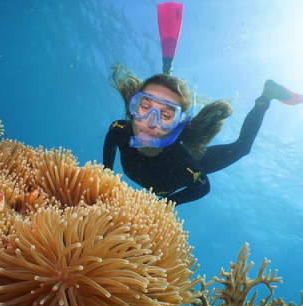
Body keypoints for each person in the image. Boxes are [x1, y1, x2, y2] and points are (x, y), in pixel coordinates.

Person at [103, 65, 301, 206]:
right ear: (132, 108)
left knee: (243, 148)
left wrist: (166, 204)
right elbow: (111, 138)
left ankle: (266, 96)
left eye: (166, 115)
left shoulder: (184, 163)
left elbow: (202, 187)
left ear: (177, 126)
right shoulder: (120, 130)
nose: (150, 121)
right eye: (145, 107)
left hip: (195, 157)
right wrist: (106, 176)